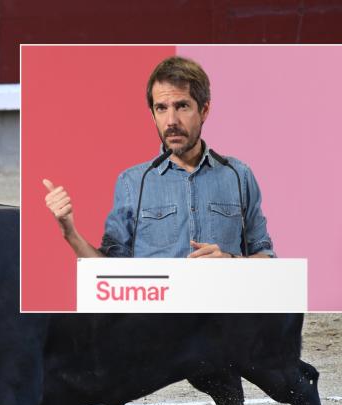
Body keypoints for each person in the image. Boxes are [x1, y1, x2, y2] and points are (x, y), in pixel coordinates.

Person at [44, 56, 275, 259]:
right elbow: (109, 271)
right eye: (161, 108)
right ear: (153, 115)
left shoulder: (238, 175)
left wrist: (232, 262)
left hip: (221, 307)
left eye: (182, 106)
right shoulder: (132, 182)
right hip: (155, 309)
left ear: (204, 110)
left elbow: (266, 257)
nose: (171, 121)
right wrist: (69, 232)